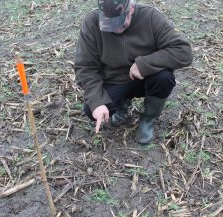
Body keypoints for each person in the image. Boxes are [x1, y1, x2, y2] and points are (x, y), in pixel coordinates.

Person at [74, 0, 193, 144]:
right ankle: (122, 107)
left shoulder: (150, 16)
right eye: (109, 25)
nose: (116, 29)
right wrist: (97, 102)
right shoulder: (91, 23)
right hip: (114, 80)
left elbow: (183, 51)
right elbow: (85, 67)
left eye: (121, 23)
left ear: (130, 8)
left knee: (164, 77)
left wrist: (144, 64)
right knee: (91, 108)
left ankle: (149, 118)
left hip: (146, 78)